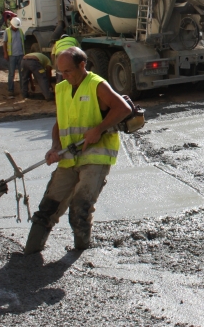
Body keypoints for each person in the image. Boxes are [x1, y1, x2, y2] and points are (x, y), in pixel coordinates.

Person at [24, 47, 132, 254]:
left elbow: (123, 109)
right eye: (61, 72)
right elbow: (59, 121)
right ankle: (30, 252)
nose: (64, 76)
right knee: (48, 207)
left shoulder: (97, 85)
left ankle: (81, 251)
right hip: (68, 157)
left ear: (82, 66)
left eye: (68, 71)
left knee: (80, 207)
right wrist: (55, 147)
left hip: (95, 156)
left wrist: (98, 130)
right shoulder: (62, 88)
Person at [2, 17, 26, 95]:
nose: (16, 28)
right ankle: (10, 90)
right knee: (11, 73)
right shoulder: (7, 31)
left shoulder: (20, 30)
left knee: (22, 73)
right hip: (12, 55)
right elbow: (4, 43)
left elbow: (23, 42)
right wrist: (5, 53)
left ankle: (23, 90)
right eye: (15, 26)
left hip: (21, 55)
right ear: (12, 25)